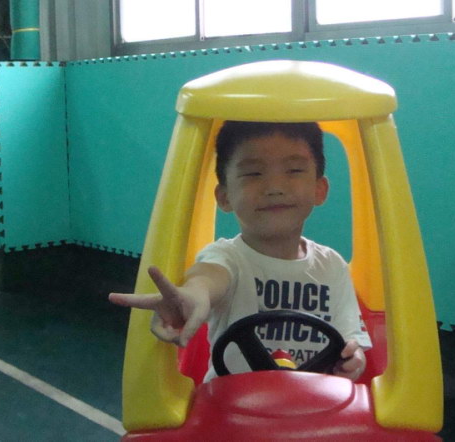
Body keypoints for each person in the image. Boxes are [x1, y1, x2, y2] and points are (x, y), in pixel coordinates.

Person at [109, 121, 371, 382]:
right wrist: (193, 296)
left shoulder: (332, 266)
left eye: (294, 170)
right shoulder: (226, 258)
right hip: (233, 403)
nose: (274, 187)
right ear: (224, 197)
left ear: (319, 190)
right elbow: (207, 278)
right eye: (253, 174)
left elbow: (350, 342)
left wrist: (352, 360)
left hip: (311, 402)